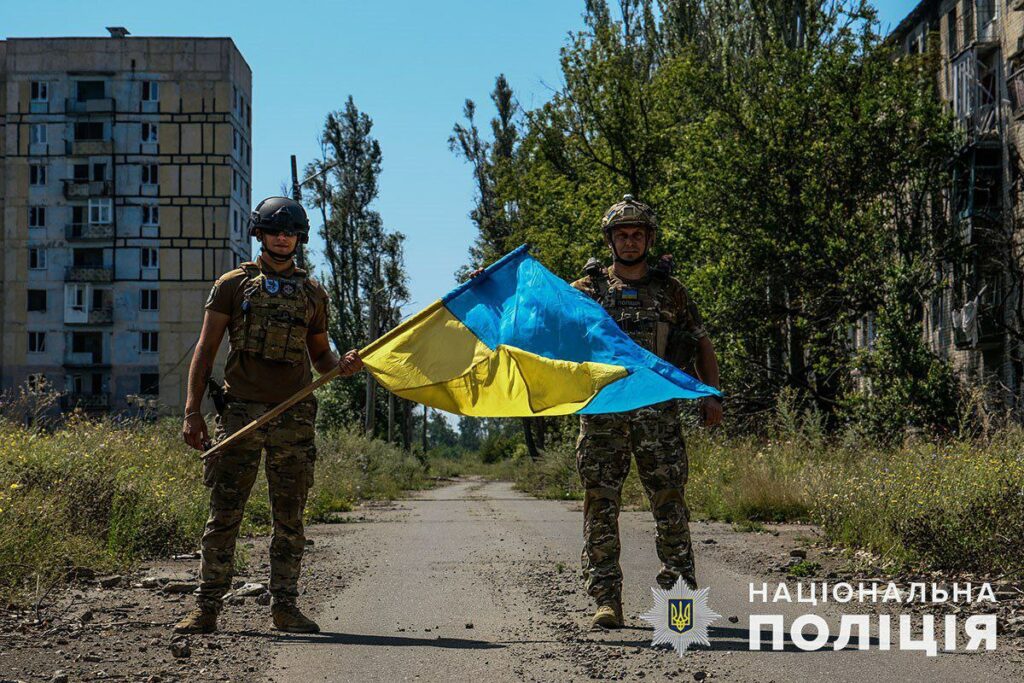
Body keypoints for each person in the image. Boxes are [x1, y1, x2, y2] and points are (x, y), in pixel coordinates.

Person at [175, 196, 362, 634]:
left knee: (290, 516)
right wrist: (192, 412)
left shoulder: (314, 293)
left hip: (293, 416)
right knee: (224, 514)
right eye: (275, 230)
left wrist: (343, 366)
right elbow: (205, 351)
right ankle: (206, 609)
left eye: (291, 232)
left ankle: (285, 607)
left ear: (300, 238)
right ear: (259, 234)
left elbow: (321, 359)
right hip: (239, 414)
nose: (283, 237)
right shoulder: (232, 285)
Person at [570, 194, 722, 630]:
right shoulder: (586, 292)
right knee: (600, 504)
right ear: (611, 240)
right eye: (622, 235)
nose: (630, 242)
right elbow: (539, 319)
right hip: (602, 416)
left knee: (670, 505)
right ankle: (606, 600)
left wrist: (712, 395)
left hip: (659, 417)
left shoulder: (671, 291)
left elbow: (701, 343)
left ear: (649, 239)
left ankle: (679, 607)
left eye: (637, 234)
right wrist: (489, 284)